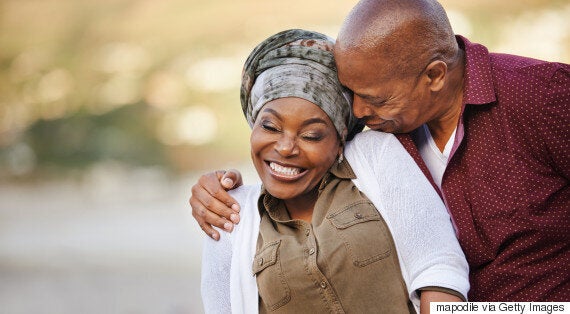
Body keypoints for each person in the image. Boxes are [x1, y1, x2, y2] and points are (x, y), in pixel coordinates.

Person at [192, 0, 570, 302]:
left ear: (435, 75)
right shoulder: (381, 136)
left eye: (373, 97)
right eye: (352, 94)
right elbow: (298, 150)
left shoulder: (541, 96)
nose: (358, 112)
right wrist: (217, 189)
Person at [201, 29, 469, 313]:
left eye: (312, 135)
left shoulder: (375, 155)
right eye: (270, 127)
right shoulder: (230, 213)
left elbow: (439, 268)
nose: (286, 147)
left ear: (340, 141)